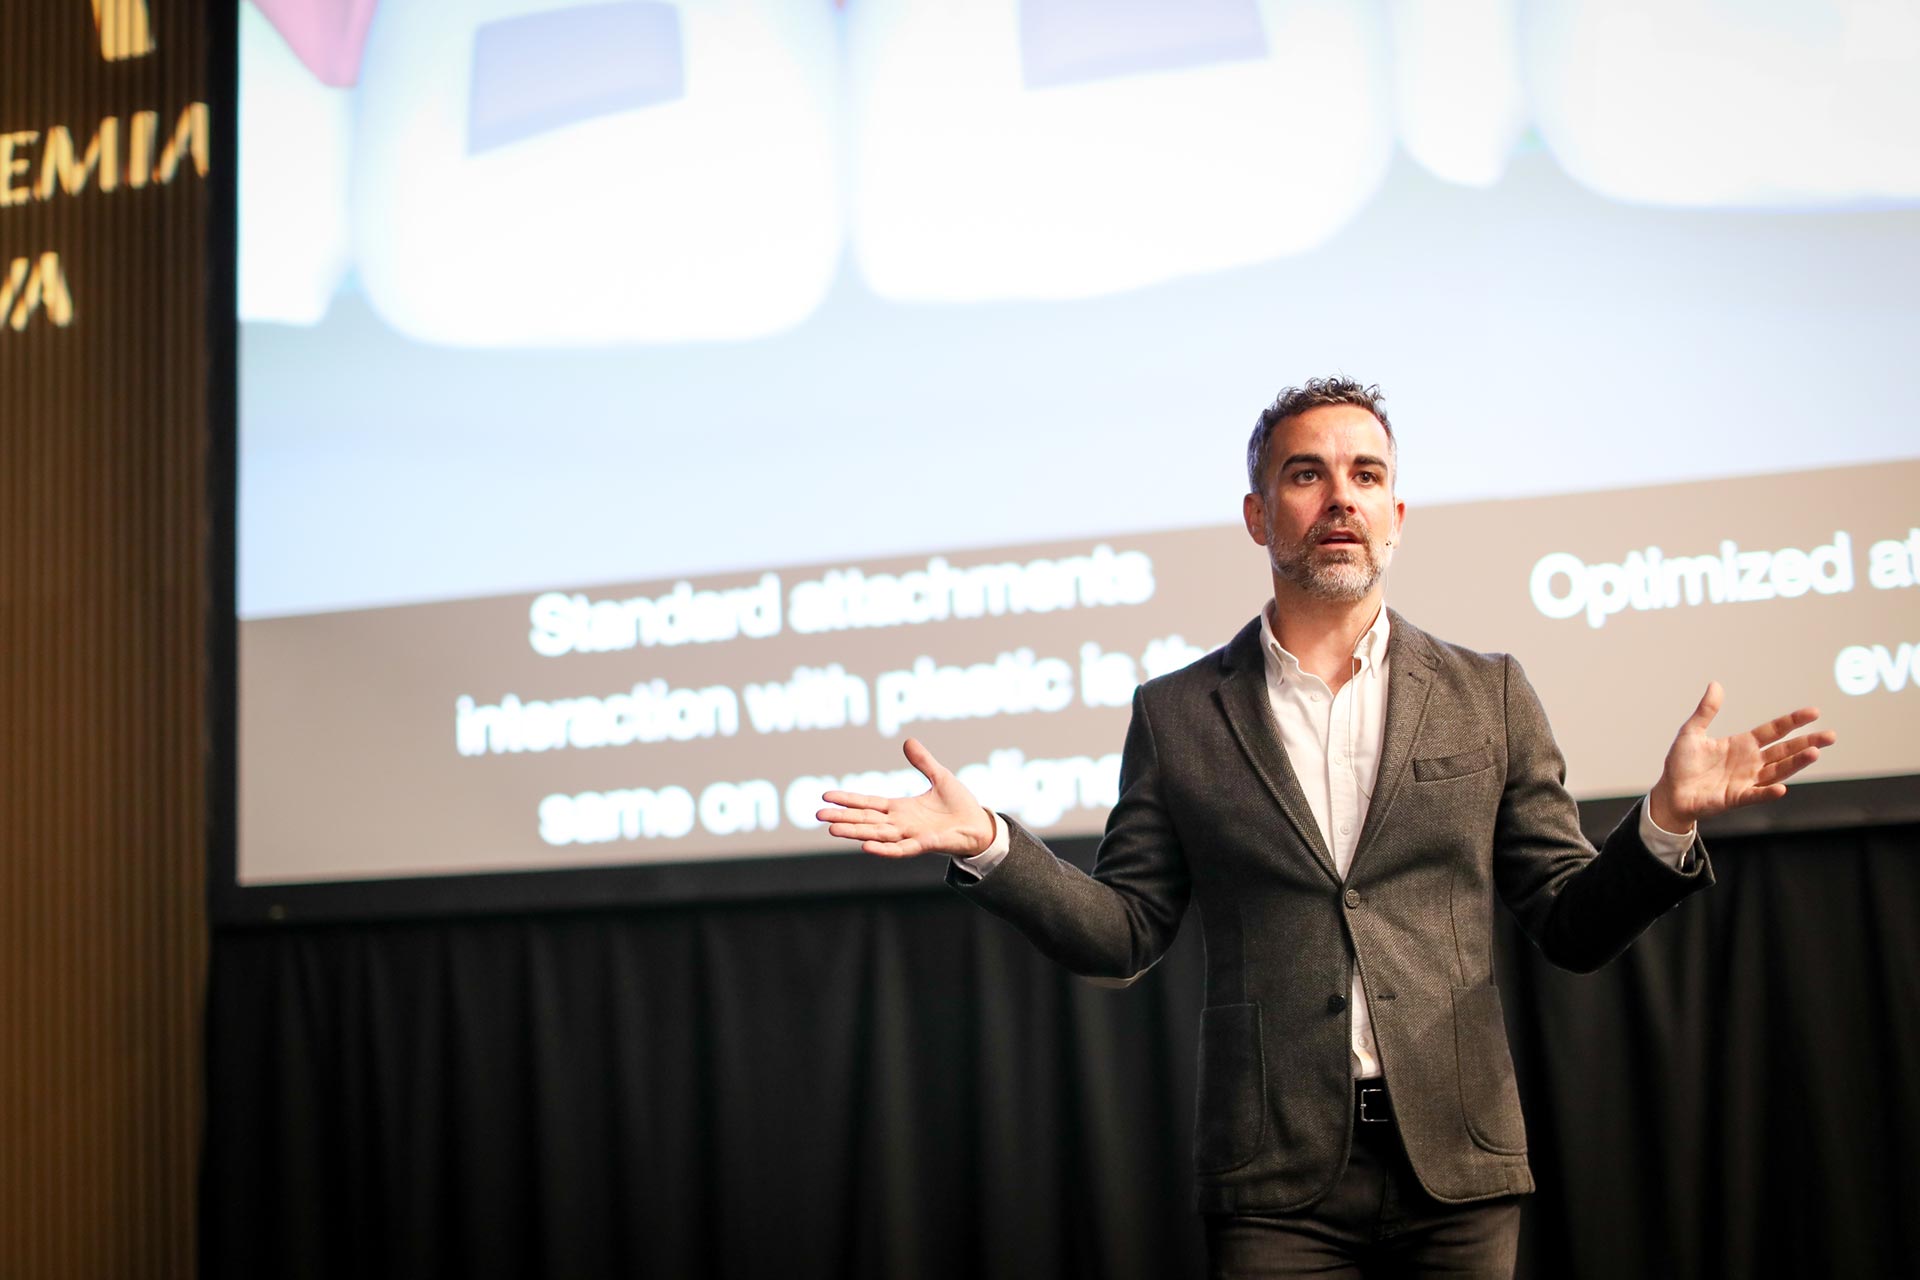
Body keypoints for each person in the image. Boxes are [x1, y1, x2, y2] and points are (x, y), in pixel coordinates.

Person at [815, 377, 1834, 1277]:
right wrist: (992, 842)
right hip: (1272, 1177)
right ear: (1259, 515)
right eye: (1307, 474)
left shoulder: (1488, 693)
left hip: (1459, 1163)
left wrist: (1663, 821)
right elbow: (1123, 932)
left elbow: (1570, 924)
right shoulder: (1178, 714)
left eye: (1365, 474)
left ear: (1396, 514)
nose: (1340, 495)